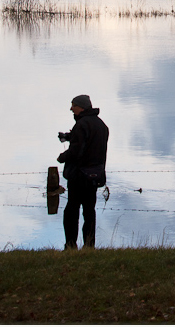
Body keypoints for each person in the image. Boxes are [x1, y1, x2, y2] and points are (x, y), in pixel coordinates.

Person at [57, 94, 109, 250]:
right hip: (95, 176)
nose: (71, 108)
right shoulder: (101, 125)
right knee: (89, 211)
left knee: (71, 210)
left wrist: (62, 157)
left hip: (79, 176)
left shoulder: (81, 125)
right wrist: (69, 137)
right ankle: (89, 245)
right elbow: (91, 144)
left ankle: (71, 245)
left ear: (81, 107)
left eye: (73, 105)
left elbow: (76, 151)